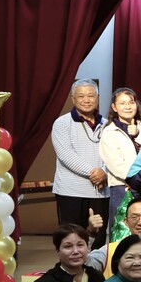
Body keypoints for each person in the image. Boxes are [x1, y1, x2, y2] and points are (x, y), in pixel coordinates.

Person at [52, 80, 109, 248]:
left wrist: (104, 172)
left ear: (97, 98)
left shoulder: (107, 124)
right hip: (70, 191)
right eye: (81, 96)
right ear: (73, 98)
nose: (86, 100)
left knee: (98, 239)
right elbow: (65, 154)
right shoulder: (62, 123)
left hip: (101, 192)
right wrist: (95, 173)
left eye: (91, 96)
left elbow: (113, 154)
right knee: (70, 238)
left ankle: (95, 266)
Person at [100, 87, 141, 235]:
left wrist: (137, 134)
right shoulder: (109, 131)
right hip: (122, 187)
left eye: (131, 102)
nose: (128, 106)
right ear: (114, 107)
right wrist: (136, 179)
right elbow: (115, 164)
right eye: (122, 103)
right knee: (122, 231)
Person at [85, 196, 141, 276]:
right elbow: (83, 266)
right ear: (126, 222)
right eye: (134, 217)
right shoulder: (109, 250)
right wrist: (90, 233)